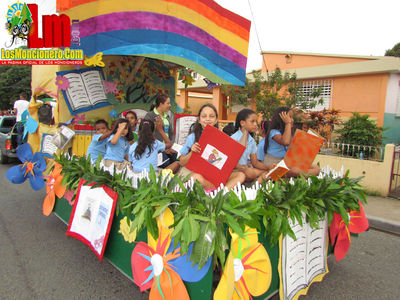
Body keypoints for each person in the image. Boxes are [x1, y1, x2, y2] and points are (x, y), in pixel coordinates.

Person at [179, 103, 245, 189]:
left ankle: (221, 192)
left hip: (214, 175)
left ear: (216, 119)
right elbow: (181, 162)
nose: (207, 119)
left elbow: (224, 162)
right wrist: (192, 152)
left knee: (240, 175)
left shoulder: (222, 138)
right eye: (204, 116)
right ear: (199, 119)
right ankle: (217, 192)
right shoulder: (192, 137)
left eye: (211, 116)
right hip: (194, 172)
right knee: (197, 178)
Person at [258, 106, 320, 177]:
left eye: (292, 117)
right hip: (274, 162)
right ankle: (304, 175)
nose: (292, 120)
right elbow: (285, 141)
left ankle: (306, 175)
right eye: (290, 117)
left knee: (316, 167)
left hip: (286, 162)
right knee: (296, 171)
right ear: (282, 119)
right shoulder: (273, 132)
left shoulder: (289, 132)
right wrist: (288, 123)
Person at [231, 109, 275, 182]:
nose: (255, 124)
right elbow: (230, 162)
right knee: (249, 173)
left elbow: (255, 163)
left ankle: (256, 186)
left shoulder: (252, 141)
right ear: (242, 123)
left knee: (269, 172)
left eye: (256, 122)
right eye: (252, 121)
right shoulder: (234, 139)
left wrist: (268, 167)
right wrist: (243, 168)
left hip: (246, 169)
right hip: (235, 171)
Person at [144, 94, 177, 168]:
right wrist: (162, 148)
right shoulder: (150, 116)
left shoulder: (167, 117)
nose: (170, 105)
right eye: (168, 103)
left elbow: (171, 133)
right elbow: (146, 134)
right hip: (157, 149)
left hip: (169, 148)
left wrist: (170, 146)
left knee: (176, 163)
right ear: (161, 104)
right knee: (165, 165)